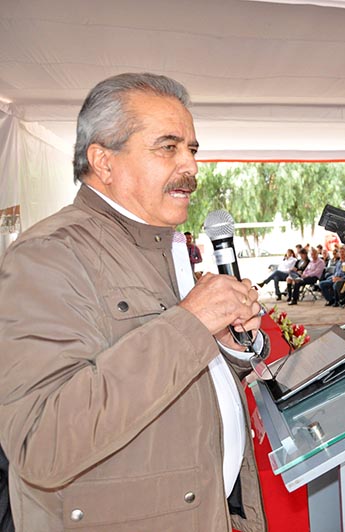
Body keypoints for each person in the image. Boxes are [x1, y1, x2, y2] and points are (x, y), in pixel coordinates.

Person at [0, 73, 267, 530]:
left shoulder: (160, 244)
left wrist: (226, 345)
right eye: (168, 147)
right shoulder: (48, 255)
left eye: (192, 149)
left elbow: (162, 370)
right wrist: (190, 324)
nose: (191, 168)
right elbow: (41, 441)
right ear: (103, 161)